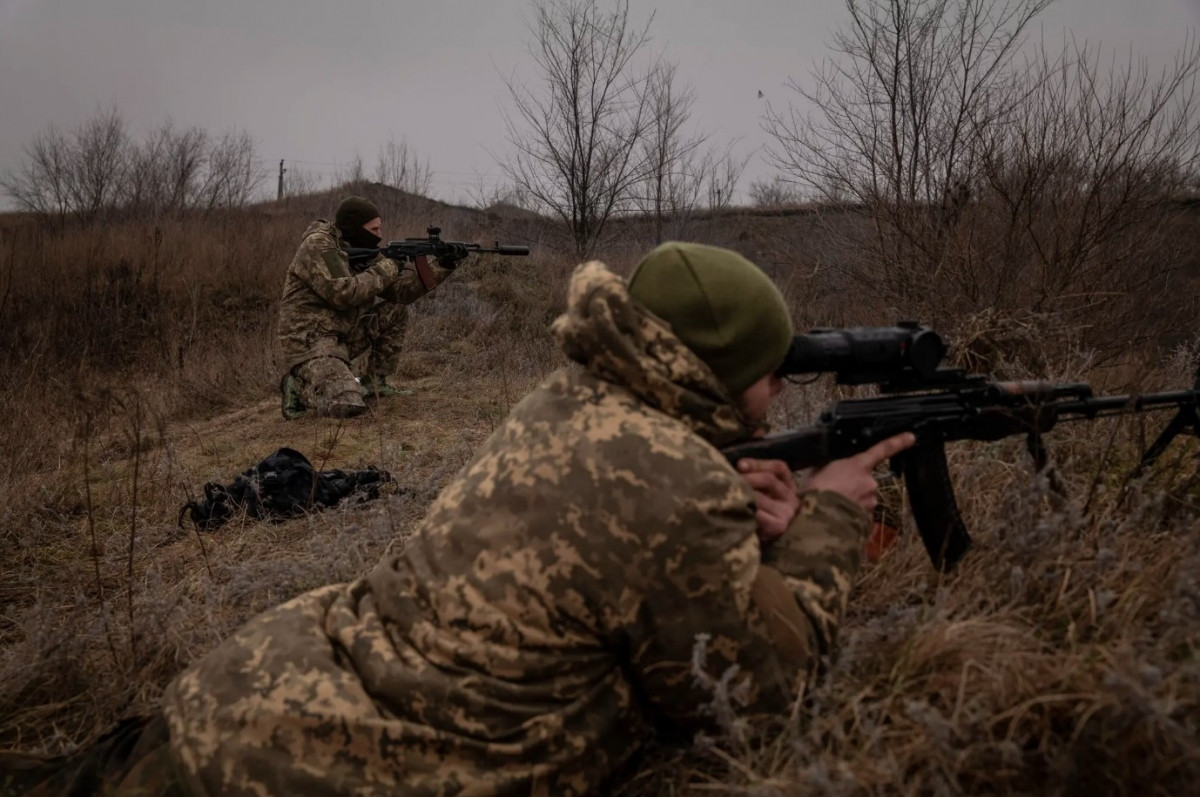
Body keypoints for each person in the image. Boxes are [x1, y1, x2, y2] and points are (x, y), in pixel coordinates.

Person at [12, 242, 913, 795]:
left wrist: (735, 529)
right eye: (768, 368)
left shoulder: (567, 402)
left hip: (250, 689)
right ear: (714, 371)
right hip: (296, 769)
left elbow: (620, 549)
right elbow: (756, 697)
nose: (780, 387)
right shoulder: (675, 481)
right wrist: (831, 516)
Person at [277, 195, 465, 420]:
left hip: (343, 336)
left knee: (395, 310)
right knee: (346, 402)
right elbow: (343, 293)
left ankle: (375, 381)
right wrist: (389, 266)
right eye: (374, 229)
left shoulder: (363, 249)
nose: (380, 235)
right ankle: (298, 388)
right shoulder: (318, 245)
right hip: (309, 341)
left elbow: (401, 292)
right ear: (355, 228)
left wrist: (443, 265)